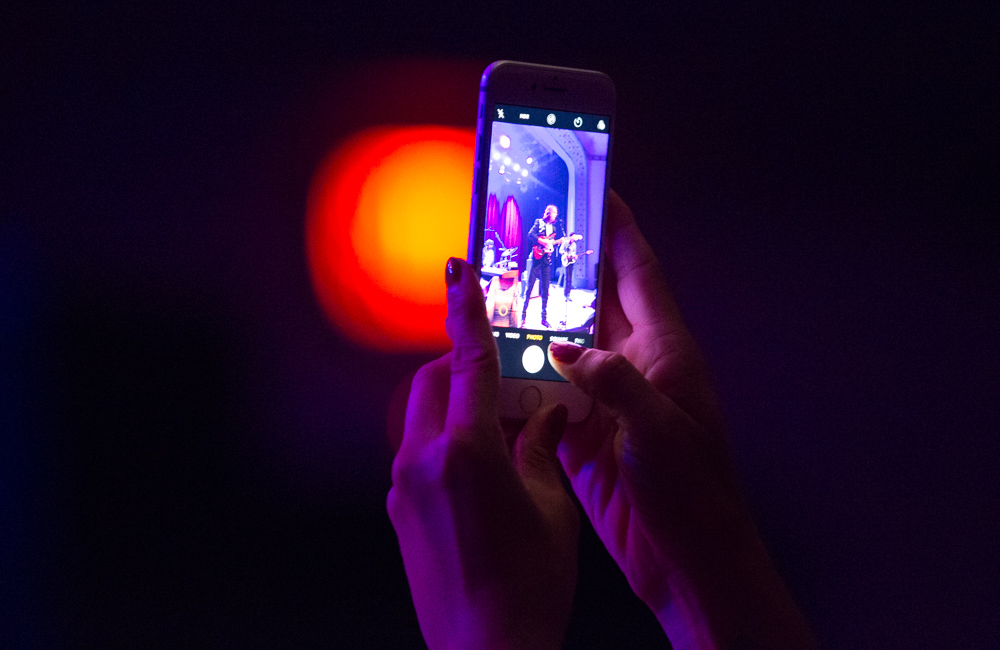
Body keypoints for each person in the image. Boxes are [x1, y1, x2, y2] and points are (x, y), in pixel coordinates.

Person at [387, 191, 815, 649]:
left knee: (546, 291)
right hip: (535, 261)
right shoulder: (539, 229)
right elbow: (536, 238)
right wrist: (698, 569)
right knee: (533, 286)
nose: (550, 217)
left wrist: (489, 638)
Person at [521, 205, 563, 328]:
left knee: (545, 290)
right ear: (549, 213)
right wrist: (542, 241)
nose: (556, 214)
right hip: (536, 258)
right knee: (529, 287)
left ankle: (544, 319)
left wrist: (554, 245)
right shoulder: (538, 222)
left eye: (556, 212)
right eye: (554, 212)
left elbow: (551, 245)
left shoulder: (555, 229)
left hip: (546, 260)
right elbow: (530, 235)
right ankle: (523, 318)